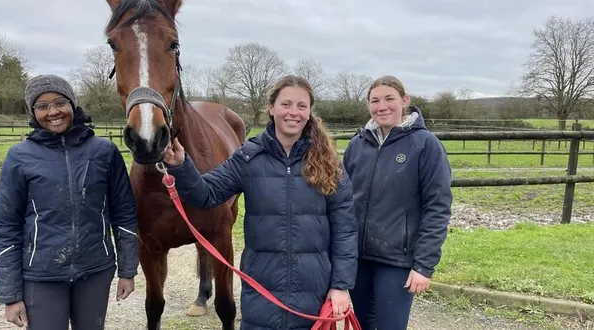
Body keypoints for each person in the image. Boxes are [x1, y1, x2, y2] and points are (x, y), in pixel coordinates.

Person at [162, 75, 358, 330]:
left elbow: (345, 229)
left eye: (302, 106)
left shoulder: (329, 163)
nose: (293, 113)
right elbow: (205, 194)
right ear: (271, 107)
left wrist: (340, 286)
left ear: (310, 112)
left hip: (314, 292)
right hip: (262, 290)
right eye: (286, 104)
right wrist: (181, 166)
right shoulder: (248, 158)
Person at [0, 74, 139, 330]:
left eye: (60, 102)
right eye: (42, 106)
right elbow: (6, 226)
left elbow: (124, 212)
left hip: (95, 270)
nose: (53, 111)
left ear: (72, 104)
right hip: (41, 275)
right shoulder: (19, 157)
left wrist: (127, 270)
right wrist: (11, 295)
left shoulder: (104, 152)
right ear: (33, 111)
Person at [343, 75, 453, 330]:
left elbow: (437, 207)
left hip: (397, 261)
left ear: (405, 100)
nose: (382, 106)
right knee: (361, 324)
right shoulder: (357, 145)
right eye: (375, 100)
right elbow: (342, 200)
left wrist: (424, 265)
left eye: (389, 99)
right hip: (358, 258)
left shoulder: (426, 145)